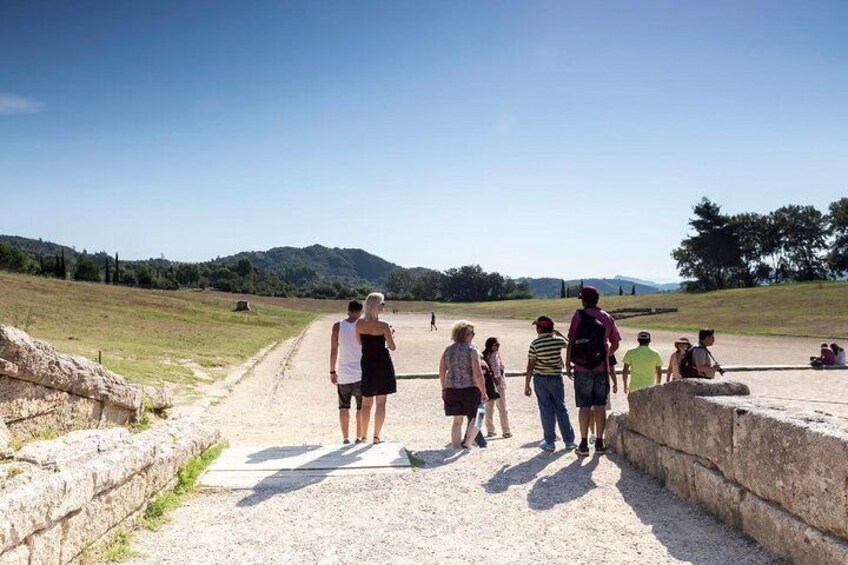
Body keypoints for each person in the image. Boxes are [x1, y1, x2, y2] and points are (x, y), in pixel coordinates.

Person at [566, 286, 621, 456]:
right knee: (600, 405)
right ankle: (599, 442)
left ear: (583, 300)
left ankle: (583, 443)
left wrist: (568, 363)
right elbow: (616, 343)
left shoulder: (578, 316)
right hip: (601, 367)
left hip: (582, 367)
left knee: (584, 406)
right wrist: (604, 355)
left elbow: (572, 340)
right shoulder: (606, 317)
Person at [524, 316, 576, 453]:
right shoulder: (557, 341)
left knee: (546, 409)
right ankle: (569, 441)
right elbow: (570, 344)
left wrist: (527, 384)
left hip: (540, 378)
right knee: (561, 408)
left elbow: (530, 366)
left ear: (539, 328)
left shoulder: (535, 343)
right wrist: (559, 334)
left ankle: (549, 441)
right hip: (556, 377)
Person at [439, 320, 488, 449]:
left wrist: (443, 388)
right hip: (469, 389)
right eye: (472, 333)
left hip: (451, 388)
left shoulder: (448, 350)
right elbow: (477, 374)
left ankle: (456, 446)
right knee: (479, 416)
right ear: (467, 334)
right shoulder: (472, 350)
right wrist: (483, 391)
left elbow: (442, 370)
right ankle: (468, 443)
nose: (474, 335)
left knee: (457, 421)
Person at [356, 292, 397, 443]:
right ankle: (376, 436)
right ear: (376, 306)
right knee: (381, 402)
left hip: (367, 363)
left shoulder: (359, 324)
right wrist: (391, 334)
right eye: (382, 304)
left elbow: (360, 342)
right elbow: (392, 347)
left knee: (366, 403)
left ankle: (363, 436)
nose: (384, 306)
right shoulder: (383, 325)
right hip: (383, 364)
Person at [329, 300, 364, 444]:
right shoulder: (363, 325)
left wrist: (332, 370)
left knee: (344, 407)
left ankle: (345, 438)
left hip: (344, 374)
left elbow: (333, 350)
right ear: (360, 311)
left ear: (348, 311)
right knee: (361, 407)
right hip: (361, 373)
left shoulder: (338, 326)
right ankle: (359, 436)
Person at [482, 337, 511, 439]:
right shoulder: (494, 356)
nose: (498, 347)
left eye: (498, 345)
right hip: (497, 385)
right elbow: (497, 372)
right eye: (496, 345)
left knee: (489, 408)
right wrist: (500, 384)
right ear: (490, 346)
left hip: (488, 385)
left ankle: (490, 430)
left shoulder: (485, 355)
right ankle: (506, 431)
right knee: (502, 408)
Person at [621, 331, 664, 396]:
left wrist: (625, 385)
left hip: (634, 387)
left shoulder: (630, 353)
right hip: (650, 388)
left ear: (638, 340)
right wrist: (657, 385)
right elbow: (659, 372)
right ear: (649, 341)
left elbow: (625, 371)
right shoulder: (655, 354)